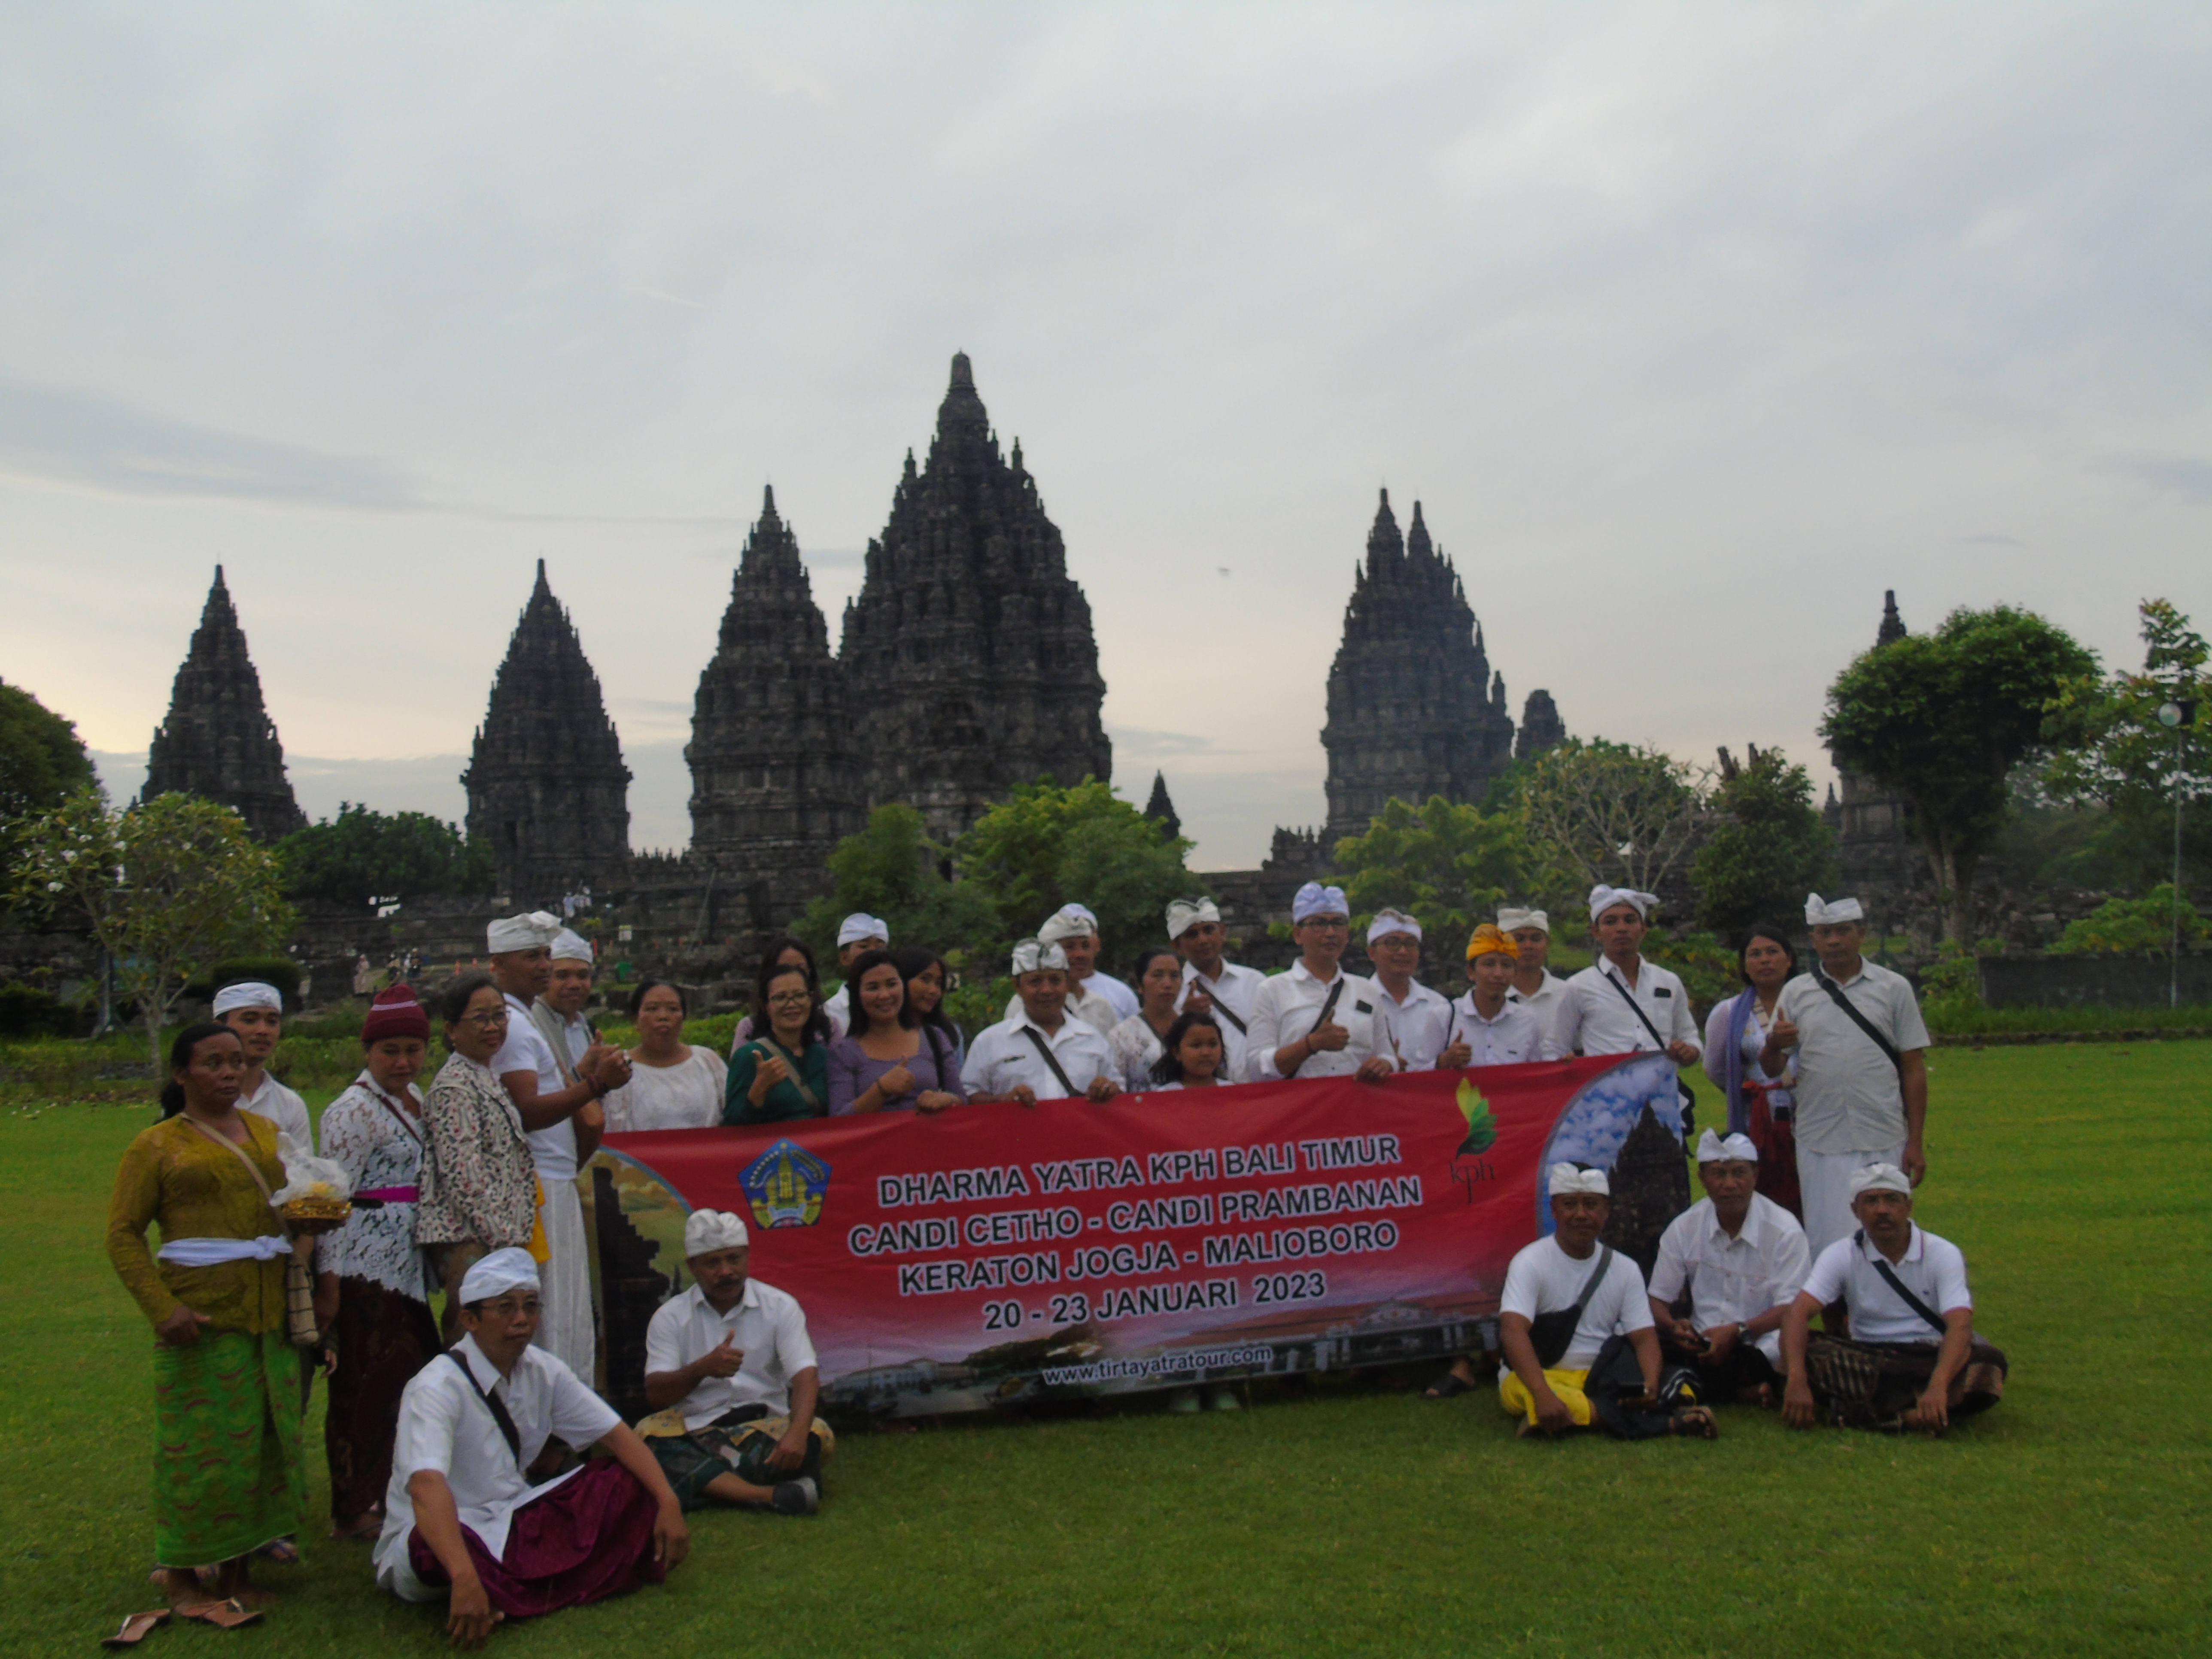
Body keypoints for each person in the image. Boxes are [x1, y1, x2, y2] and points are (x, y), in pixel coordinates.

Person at [374, 1250, 690, 1634]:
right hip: (448, 1533)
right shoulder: (435, 1388)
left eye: (530, 1307)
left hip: (513, 1517)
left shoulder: (544, 1370)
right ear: (470, 1320)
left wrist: (668, 1501)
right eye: (506, 1308)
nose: (521, 1320)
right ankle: (501, 1584)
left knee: (622, 1482)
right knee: (434, 1549)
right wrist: (463, 1574)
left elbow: (618, 1436)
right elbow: (426, 1486)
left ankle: (508, 1592)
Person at [108, 1022, 308, 1616]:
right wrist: (162, 1309)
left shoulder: (270, 1135)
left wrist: (317, 1218)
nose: (229, 1073)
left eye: (237, 1063)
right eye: (214, 1063)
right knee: (197, 1448)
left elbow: (294, 1208)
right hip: (201, 1316)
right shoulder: (157, 1146)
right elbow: (122, 1234)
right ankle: (180, 1577)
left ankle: (236, 1571)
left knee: (261, 1444)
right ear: (181, 1074)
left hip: (268, 1312)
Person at [315, 988, 443, 1543]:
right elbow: (331, 1202)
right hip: (363, 1264)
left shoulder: (415, 1098)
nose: (402, 1062)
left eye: (413, 1050)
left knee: (408, 1379)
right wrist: (330, 1282)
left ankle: (395, 1489)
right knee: (362, 1386)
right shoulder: (352, 1111)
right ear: (368, 1050)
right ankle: (353, 1504)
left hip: (408, 1261)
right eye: (390, 1050)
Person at [486, 914, 624, 1382]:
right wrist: (597, 1084)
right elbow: (526, 1111)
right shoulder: (512, 1025)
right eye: (533, 957)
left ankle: (563, 1432)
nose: (544, 966)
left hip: (554, 1183)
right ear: (498, 965)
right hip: (539, 1188)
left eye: (547, 955)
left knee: (566, 1311)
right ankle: (547, 1432)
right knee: (552, 1316)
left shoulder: (523, 1020)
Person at [1762, 895, 1932, 1256]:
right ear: (1814, 940)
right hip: (1819, 1137)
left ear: (1862, 934)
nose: (1834, 941)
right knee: (1828, 1242)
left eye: (1843, 932)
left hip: (1883, 1131)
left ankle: (1889, 1311)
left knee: (1888, 1234)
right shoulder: (1796, 992)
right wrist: (1775, 1044)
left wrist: (1915, 1141)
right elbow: (1772, 1068)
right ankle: (1837, 1313)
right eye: (1825, 933)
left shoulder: (1893, 988)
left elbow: (1914, 1067)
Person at [1780, 1164, 2006, 1433]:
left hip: (1927, 1354)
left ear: (1908, 1207)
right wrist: (1796, 1379)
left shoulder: (1943, 1253)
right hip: (1866, 1356)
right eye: (1871, 1201)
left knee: (1988, 1369)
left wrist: (1938, 1385)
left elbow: (1959, 1325)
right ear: (1856, 1211)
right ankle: (1913, 1416)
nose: (1882, 1210)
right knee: (1801, 1354)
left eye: (1892, 1200)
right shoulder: (1840, 1254)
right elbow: (1797, 1314)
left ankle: (1861, 1412)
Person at [1496, 1165, 1714, 1440]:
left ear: (1606, 1210)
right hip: (1547, 1376)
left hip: (1603, 1376)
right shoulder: (1529, 1262)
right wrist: (1541, 1394)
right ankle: (1667, 1423)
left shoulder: (1624, 1268)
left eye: (1590, 1205)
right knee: (1524, 1390)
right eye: (1570, 1205)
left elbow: (1645, 1338)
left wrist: (1648, 1385)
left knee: (1680, 1386)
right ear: (1554, 1210)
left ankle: (1574, 1418)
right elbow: (1513, 1331)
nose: (1581, 1215)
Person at [637, 1210, 830, 1515]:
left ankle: (708, 1486)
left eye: (734, 1259)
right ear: (693, 1267)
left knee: (814, 1433)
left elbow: (806, 1375)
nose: (726, 1271)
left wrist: (795, 1434)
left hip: (766, 1431)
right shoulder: (670, 1317)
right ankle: (770, 1495)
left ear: (747, 1256)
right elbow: (656, 1396)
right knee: (647, 1436)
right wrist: (702, 1369)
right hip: (699, 1433)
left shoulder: (780, 1306)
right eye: (713, 1263)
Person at [416, 975, 543, 1344]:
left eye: (500, 1016)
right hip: (471, 1241)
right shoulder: (454, 1087)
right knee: (474, 1345)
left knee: (502, 1345)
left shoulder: (485, 1077)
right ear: (452, 1030)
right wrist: (504, 1243)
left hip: (493, 1238)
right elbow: (465, 1177)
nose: (493, 1027)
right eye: (480, 1018)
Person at [1647, 1132, 1811, 1407]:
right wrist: (1673, 1327)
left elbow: (1793, 1309)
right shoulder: (1685, 1227)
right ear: (1702, 1179)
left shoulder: (1785, 1231)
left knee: (1770, 1356)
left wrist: (1739, 1332)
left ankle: (1726, 1387)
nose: (1729, 1184)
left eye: (1739, 1173)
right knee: (1642, 1346)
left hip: (1760, 1345)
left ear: (1755, 1175)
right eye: (1719, 1174)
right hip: (1703, 1341)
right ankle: (1743, 1391)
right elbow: (1657, 1299)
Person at [1245, 883, 1394, 1084]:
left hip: (1356, 1107)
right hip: (1302, 1108)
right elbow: (1256, 1067)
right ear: (1298, 934)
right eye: (1319, 923)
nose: (1331, 932)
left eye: (1338, 923)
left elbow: (1387, 1054)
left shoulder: (1366, 991)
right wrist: (1310, 1045)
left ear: (1347, 934)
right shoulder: (1272, 990)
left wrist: (1383, 1065)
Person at [1702, 924, 1802, 1216]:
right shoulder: (1730, 1012)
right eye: (1755, 954)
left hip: (1809, 1113)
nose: (1765, 960)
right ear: (1745, 965)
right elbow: (1715, 1068)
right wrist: (1748, 1091)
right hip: (1757, 1120)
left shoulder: (1809, 1004)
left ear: (1790, 959)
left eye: (1773, 952)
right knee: (1762, 1199)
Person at [1552, 887, 1702, 1066]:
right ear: (1596, 932)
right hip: (1607, 1092)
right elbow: (1556, 1048)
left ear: (1643, 929)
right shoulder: (1578, 986)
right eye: (1611, 922)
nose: (1621, 928)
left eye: (1630, 921)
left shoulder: (1668, 981)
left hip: (1661, 1091)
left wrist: (1689, 1051)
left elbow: (1690, 1037)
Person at [963, 940, 1121, 1104]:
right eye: (1035, 981)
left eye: (1055, 980)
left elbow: (1119, 1091)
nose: (1046, 990)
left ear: (1067, 983)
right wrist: (1004, 1102)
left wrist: (1106, 1089)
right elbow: (969, 1096)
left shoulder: (1092, 1039)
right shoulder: (989, 1042)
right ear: (1017, 986)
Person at [826, 948, 965, 1115]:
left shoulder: (935, 1038)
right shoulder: (843, 1053)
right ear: (857, 995)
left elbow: (963, 1101)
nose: (885, 995)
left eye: (892, 984)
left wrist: (947, 1100)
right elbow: (838, 1120)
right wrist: (881, 1090)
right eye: (873, 988)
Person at [603, 981, 728, 1132]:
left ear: (684, 1019)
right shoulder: (620, 1069)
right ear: (636, 1020)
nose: (663, 1016)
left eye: (673, 1009)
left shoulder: (708, 1061)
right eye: (652, 1009)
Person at [1167, 896, 1266, 1083]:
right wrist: (1183, 1017)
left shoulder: (1255, 982)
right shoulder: (1172, 994)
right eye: (1192, 935)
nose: (1203, 940)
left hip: (1256, 1094)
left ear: (1222, 932)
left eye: (1209, 930)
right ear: (1177, 946)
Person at [726, 963, 833, 1125]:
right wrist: (758, 1091)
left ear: (811, 1000)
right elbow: (731, 1126)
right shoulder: (750, 1057)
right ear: (765, 1007)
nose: (791, 1004)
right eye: (780, 998)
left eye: (799, 995)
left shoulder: (822, 1056)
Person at [213, 981, 312, 1150]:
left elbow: (304, 1172)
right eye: (250, 1020)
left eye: (272, 1022)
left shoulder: (290, 1105)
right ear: (219, 1028)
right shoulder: (197, 1101)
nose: (263, 1030)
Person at [1435, 923, 1548, 1070]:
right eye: (1489, 964)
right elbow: (1417, 1076)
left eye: (1507, 965)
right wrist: (1445, 1061)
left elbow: (1536, 1076)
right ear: (1471, 972)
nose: (1498, 974)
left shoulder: (1527, 1021)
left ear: (1515, 973)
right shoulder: (1445, 1016)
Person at [1001, 904, 1125, 1034]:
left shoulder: (1101, 1006)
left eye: (1086, 946)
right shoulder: (1024, 1004)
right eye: (1069, 947)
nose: (1080, 955)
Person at [1364, 910, 1455, 1071]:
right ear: (1372, 952)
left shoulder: (1438, 1005)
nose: (1403, 951)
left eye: (1411, 944)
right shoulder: (1358, 999)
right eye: (1392, 943)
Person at [731, 935, 843, 1052]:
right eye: (783, 969)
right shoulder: (750, 1029)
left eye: (800, 969)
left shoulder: (829, 1028)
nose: (792, 976)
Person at [1107, 948, 1187, 1093]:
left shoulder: (1193, 1027)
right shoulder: (1121, 1036)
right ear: (1139, 984)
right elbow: (1116, 1089)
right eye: (1158, 976)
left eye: (1175, 976)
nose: (1168, 984)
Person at [1497, 907, 1571, 1052]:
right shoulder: (1491, 996)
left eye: (1536, 939)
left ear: (1547, 945)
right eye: (1519, 939)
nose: (1528, 946)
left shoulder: (1567, 993)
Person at [892, 946, 965, 1070]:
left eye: (938, 983)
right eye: (925, 980)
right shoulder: (880, 1031)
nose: (934, 991)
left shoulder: (948, 1033)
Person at [820, 914, 889, 1035]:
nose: (873, 953)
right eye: (864, 946)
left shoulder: (896, 1004)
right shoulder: (829, 1014)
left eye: (880, 947)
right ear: (844, 958)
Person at [1148, 1009, 1228, 1091]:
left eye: (1213, 1045)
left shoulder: (1233, 1091)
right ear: (1177, 1053)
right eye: (1196, 1046)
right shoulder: (1165, 1096)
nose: (1206, 1053)